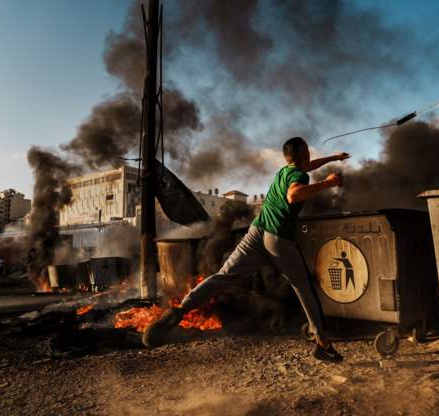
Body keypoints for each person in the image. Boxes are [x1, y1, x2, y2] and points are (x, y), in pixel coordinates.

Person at [143, 137, 349, 363]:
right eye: (307, 152)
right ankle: (322, 344)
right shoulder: (298, 176)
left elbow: (307, 167)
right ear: (304, 154)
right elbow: (293, 195)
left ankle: (181, 309)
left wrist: (333, 158)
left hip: (255, 233)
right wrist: (328, 183)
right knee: (304, 288)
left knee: (223, 276)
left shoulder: (285, 171)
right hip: (277, 238)